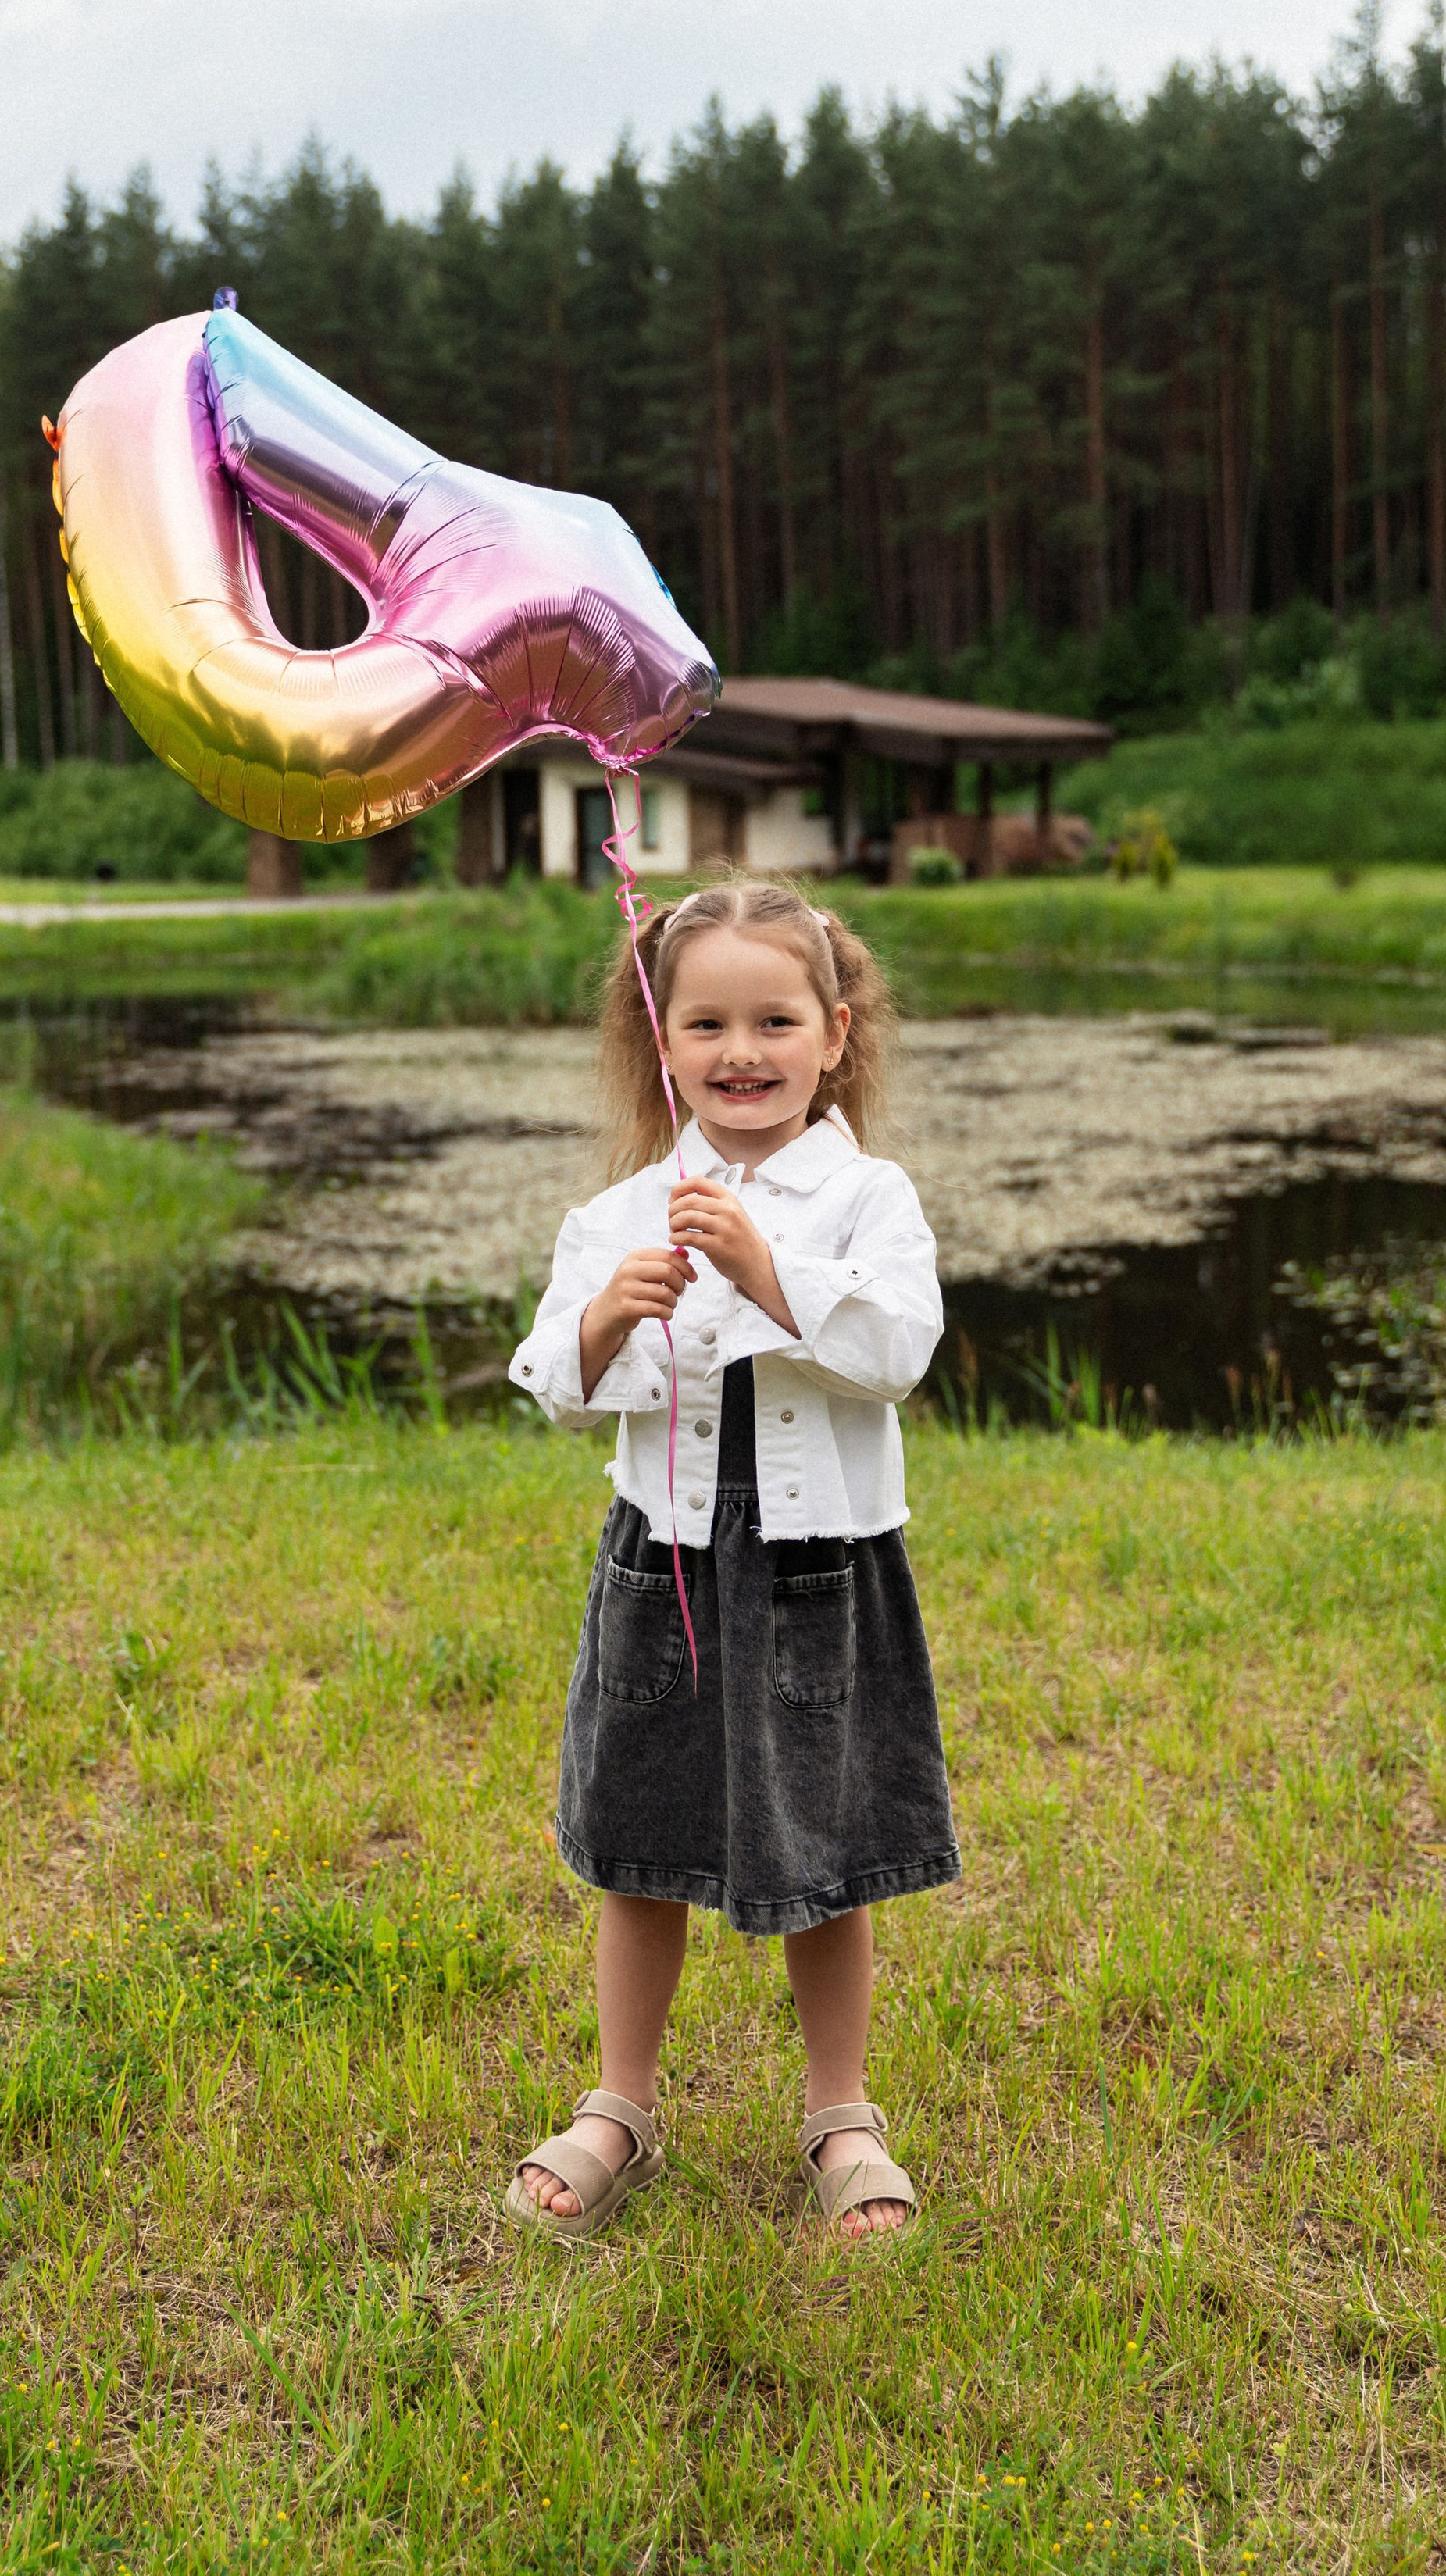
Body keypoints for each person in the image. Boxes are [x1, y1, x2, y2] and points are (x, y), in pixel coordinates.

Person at [503, 876, 959, 2242]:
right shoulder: (624, 1211)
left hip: (822, 1572)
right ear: (663, 1042)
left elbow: (898, 1351)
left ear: (835, 1035)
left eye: (775, 1021)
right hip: (666, 1567)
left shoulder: (867, 1198)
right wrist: (606, 1319)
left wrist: (769, 1271)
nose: (741, 1052)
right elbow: (555, 1383)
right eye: (705, 1024)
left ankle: (841, 2115)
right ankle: (620, 2108)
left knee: (827, 1843)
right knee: (640, 1845)